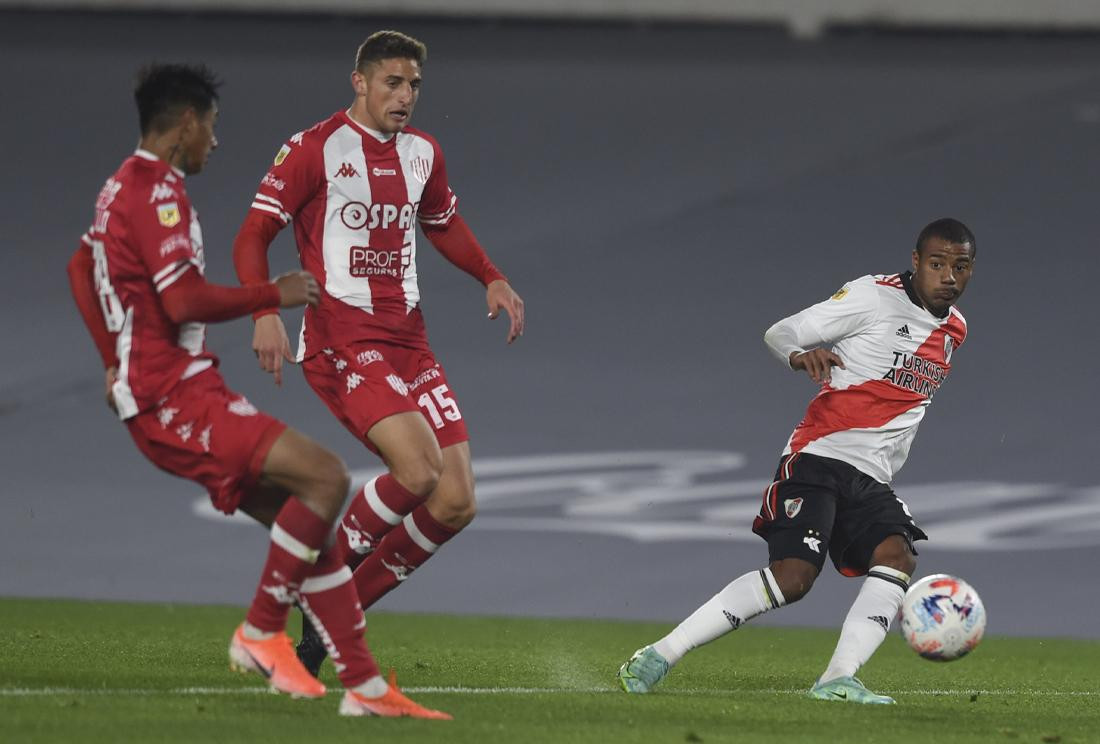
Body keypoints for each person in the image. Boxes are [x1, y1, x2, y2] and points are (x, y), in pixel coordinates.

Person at [67, 63, 449, 720]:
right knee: (327, 479)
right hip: (169, 396)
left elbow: (81, 267)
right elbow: (183, 299)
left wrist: (110, 360)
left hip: (173, 386)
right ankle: (259, 628)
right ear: (186, 122)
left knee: (314, 524)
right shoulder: (158, 192)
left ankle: (364, 687)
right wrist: (274, 293)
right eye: (210, 127)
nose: (213, 142)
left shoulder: (117, 188)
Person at [232, 30, 525, 673]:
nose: (405, 96)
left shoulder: (423, 153)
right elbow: (253, 233)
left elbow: (443, 222)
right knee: (418, 472)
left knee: (455, 501)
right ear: (359, 82)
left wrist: (491, 276)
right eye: (392, 82)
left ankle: (340, 619)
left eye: (414, 85)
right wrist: (263, 310)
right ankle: (320, 579)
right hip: (342, 339)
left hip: (410, 345)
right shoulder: (314, 149)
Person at [617, 219, 976, 704]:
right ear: (915, 262)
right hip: (819, 458)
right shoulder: (873, 297)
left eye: (961, 266)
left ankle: (837, 680)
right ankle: (660, 653)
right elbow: (782, 331)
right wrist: (797, 354)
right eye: (938, 264)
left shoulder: (955, 330)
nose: (949, 276)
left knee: (897, 557)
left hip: (871, 477)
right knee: (793, 578)